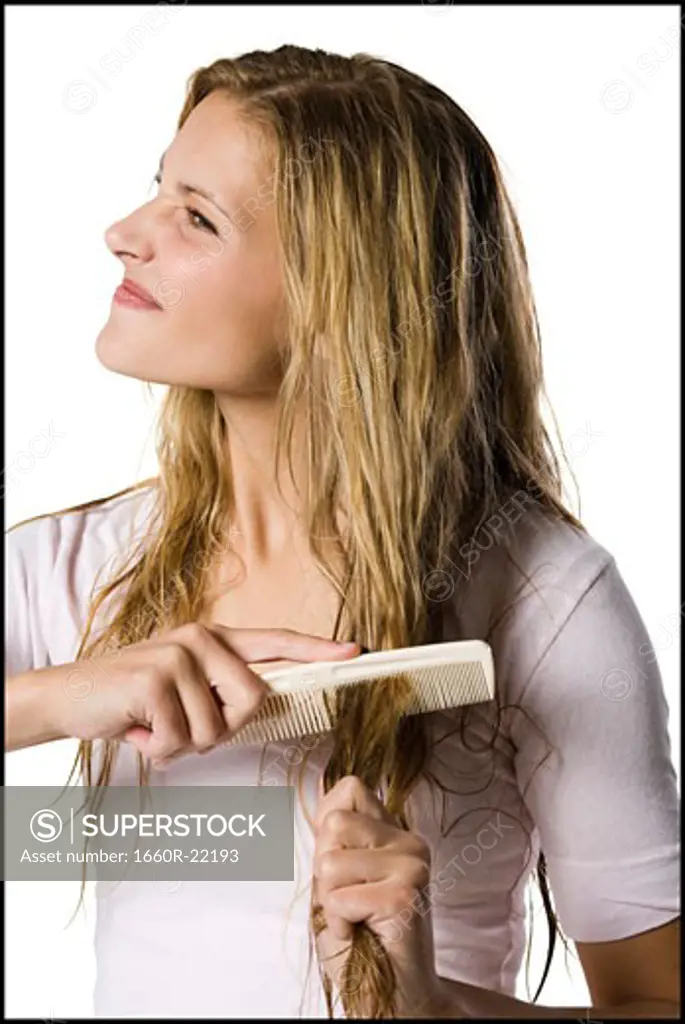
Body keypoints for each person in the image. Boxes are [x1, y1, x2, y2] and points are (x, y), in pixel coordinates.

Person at [5, 44, 679, 1019]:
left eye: (197, 217)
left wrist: (435, 1008)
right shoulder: (78, 571)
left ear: (338, 296)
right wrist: (59, 698)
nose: (123, 232)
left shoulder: (543, 601)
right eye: (158, 189)